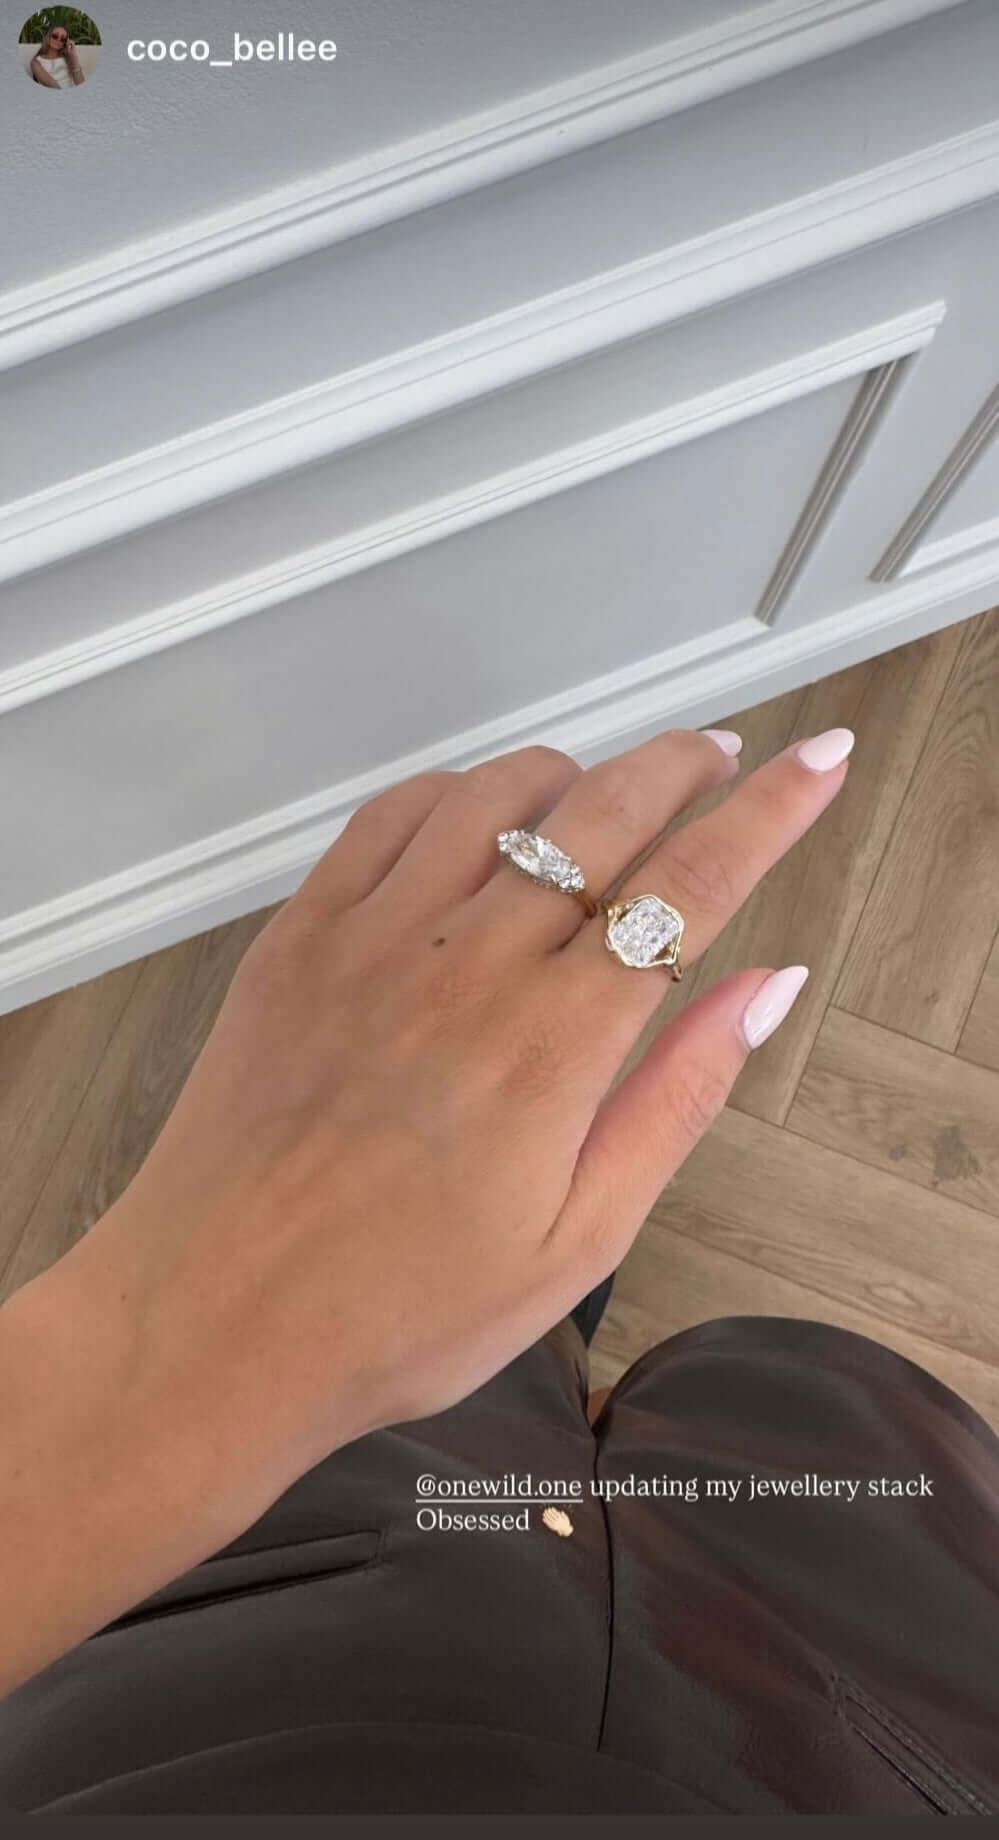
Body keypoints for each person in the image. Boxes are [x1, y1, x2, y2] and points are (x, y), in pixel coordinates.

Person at [0, 721, 997, 1815]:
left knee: (498, 1334)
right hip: (839, 1693)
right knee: (763, 1393)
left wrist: (138, 1357)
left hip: (217, 1621)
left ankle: (541, 1289)